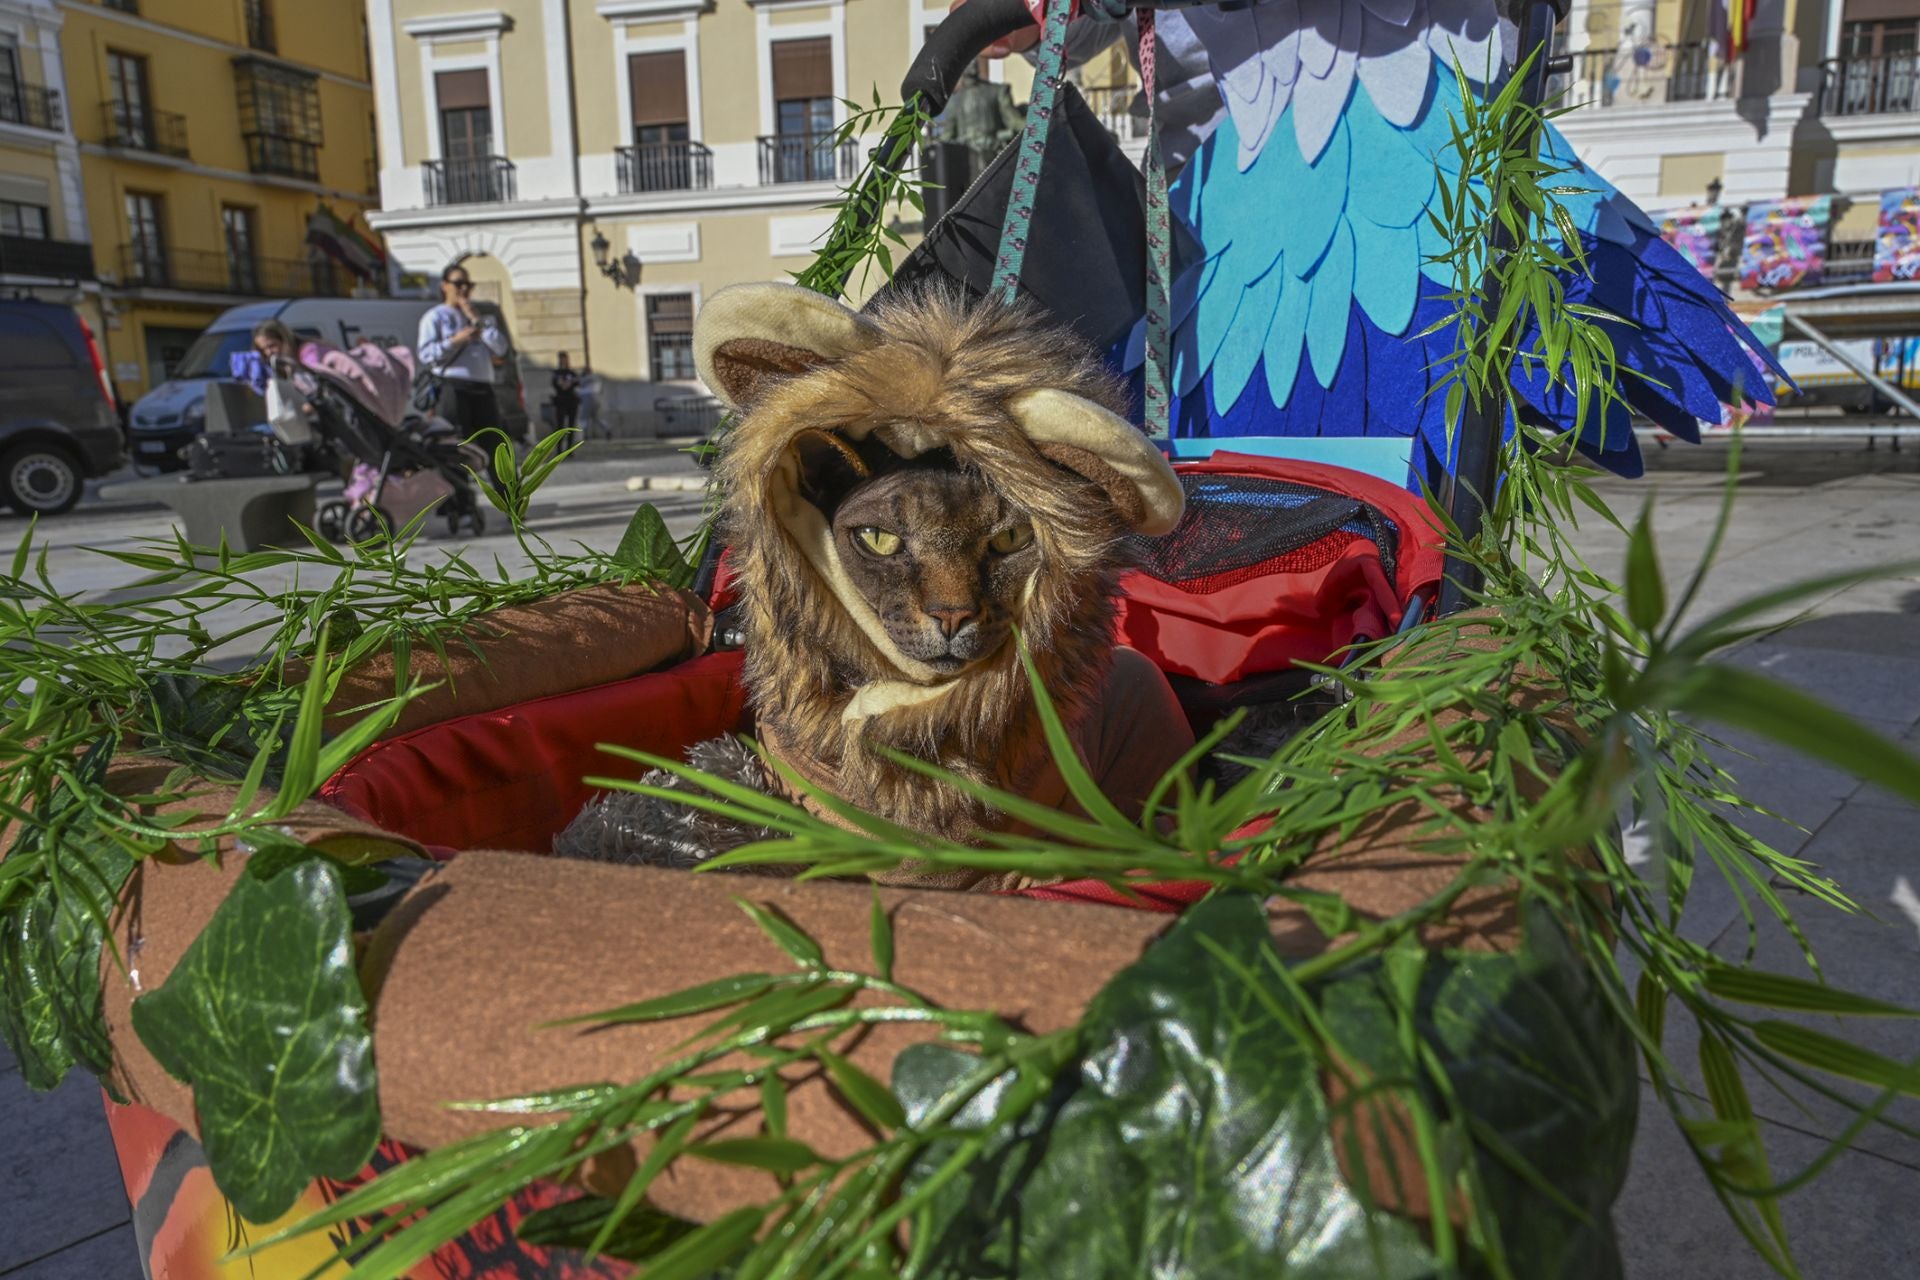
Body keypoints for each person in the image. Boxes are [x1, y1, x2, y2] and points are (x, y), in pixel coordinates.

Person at [416, 262, 511, 464]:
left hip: (483, 386)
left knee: (496, 444)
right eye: (459, 283)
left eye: (468, 284)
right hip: (453, 386)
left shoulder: (482, 317)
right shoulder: (436, 317)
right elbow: (426, 355)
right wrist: (455, 341)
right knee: (456, 445)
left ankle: (506, 494)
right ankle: (458, 492)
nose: (464, 289)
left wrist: (477, 320)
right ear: (445, 286)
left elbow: (501, 347)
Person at [549, 351, 580, 437]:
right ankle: (559, 449)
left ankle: (570, 449)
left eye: (564, 359)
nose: (563, 361)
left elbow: (577, 382)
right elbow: (555, 384)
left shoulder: (571, 373)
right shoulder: (556, 373)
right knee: (560, 426)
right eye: (561, 359)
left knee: (571, 426)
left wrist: (569, 384)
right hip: (560, 400)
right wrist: (563, 384)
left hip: (571, 400)